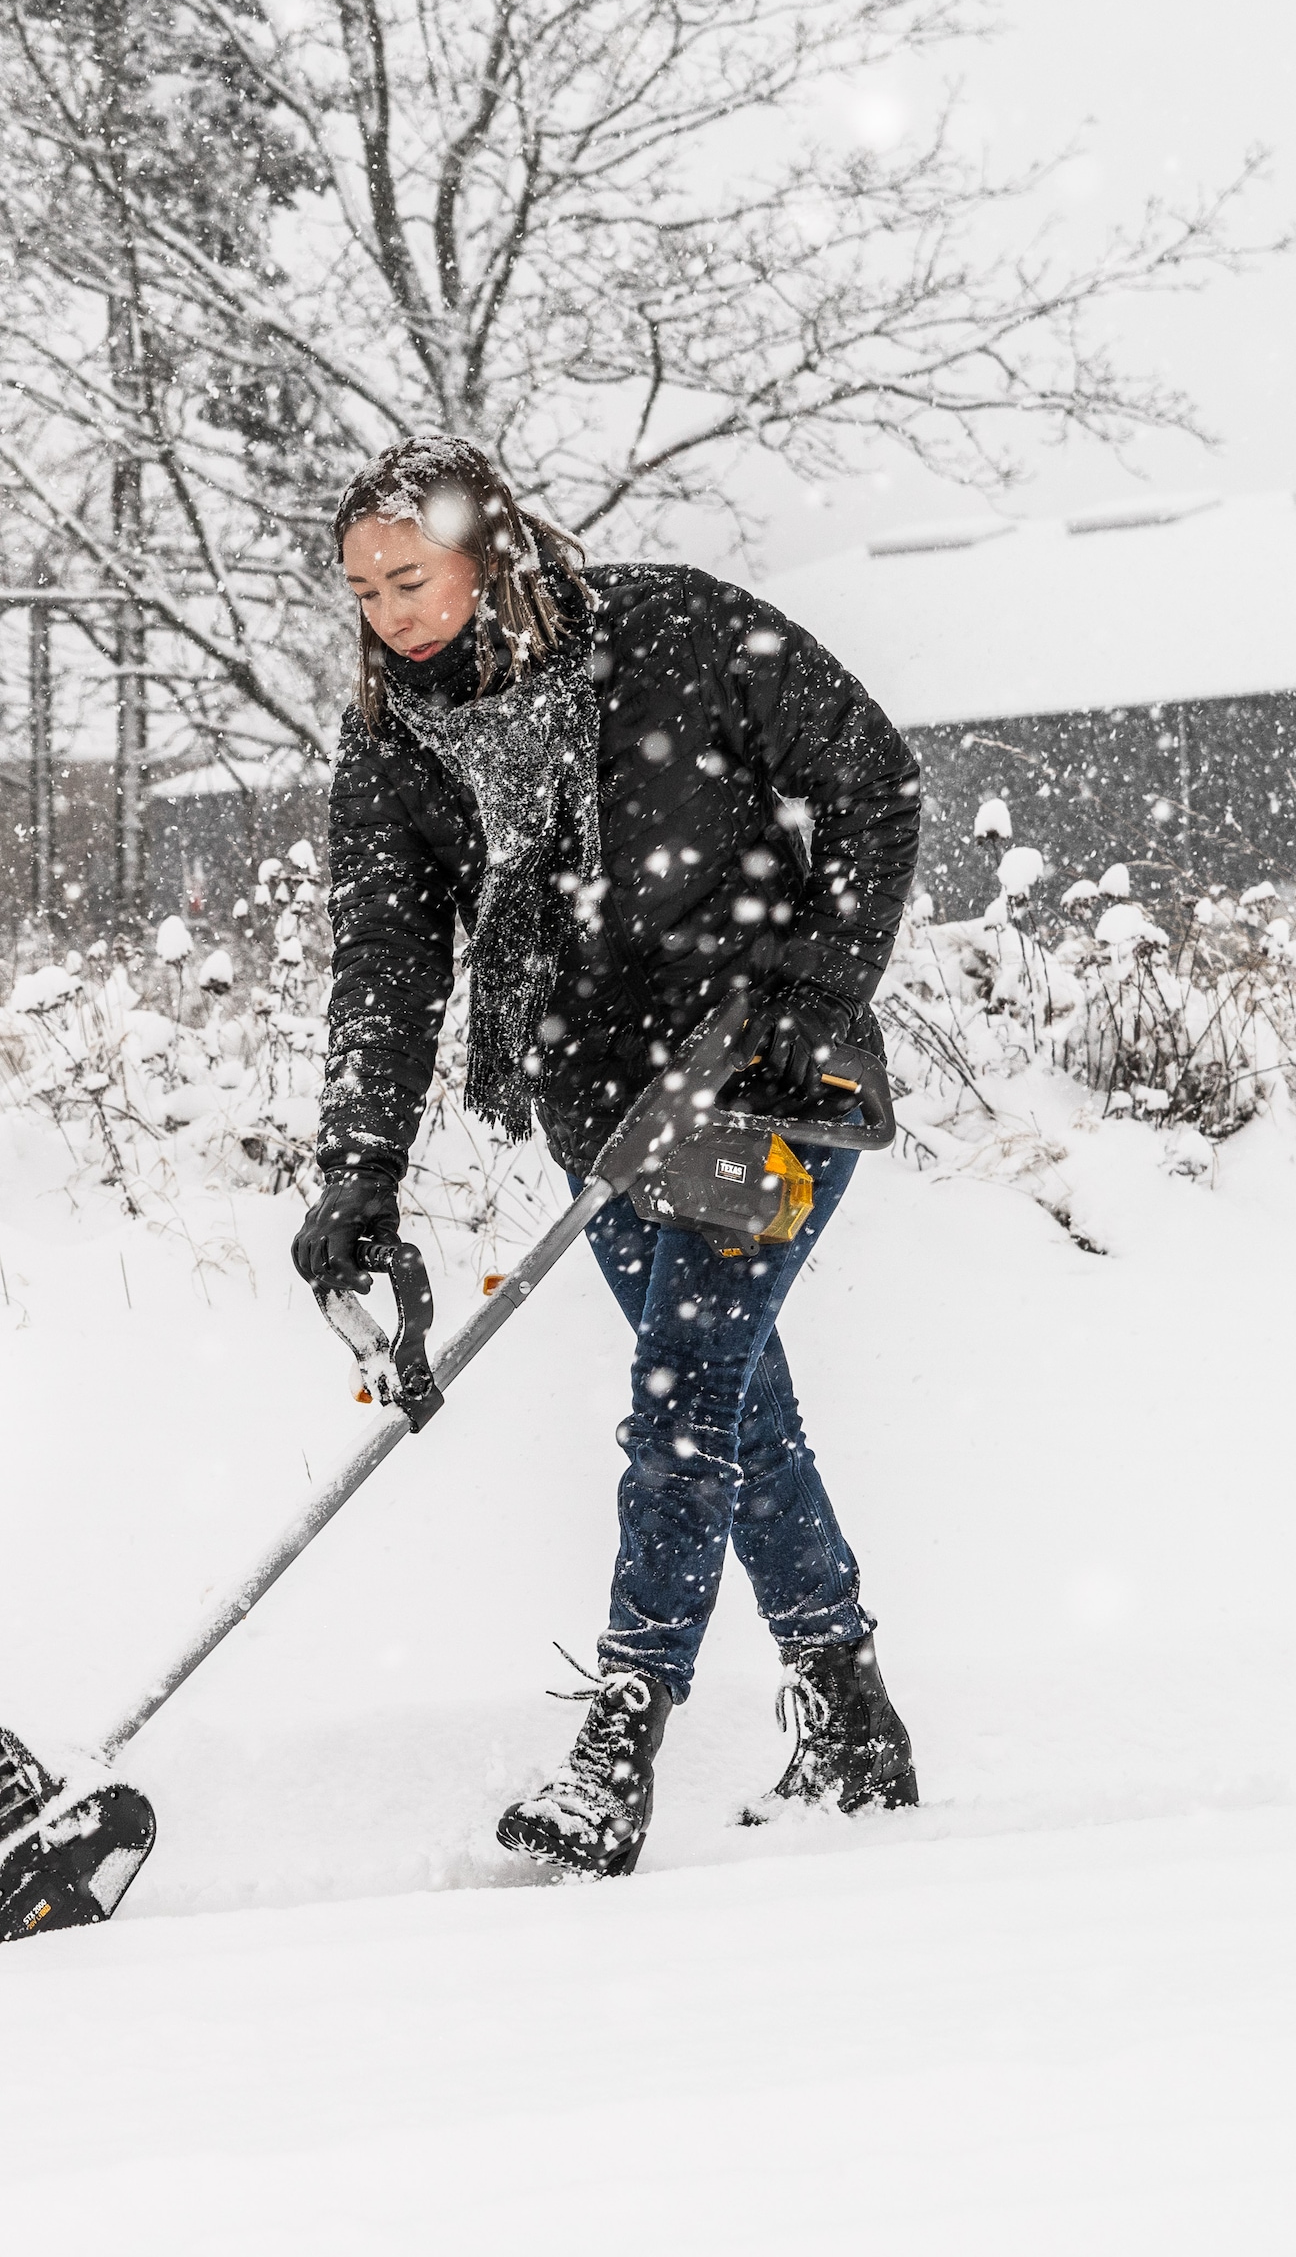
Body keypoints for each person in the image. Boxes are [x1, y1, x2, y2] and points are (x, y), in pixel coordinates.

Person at [291, 434, 921, 1879]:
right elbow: (385, 954)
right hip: (600, 1101)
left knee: (684, 1391)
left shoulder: (679, 629)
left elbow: (874, 783)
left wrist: (811, 996)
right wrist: (359, 1168)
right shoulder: (399, 738)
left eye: (410, 576)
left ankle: (617, 1742)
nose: (388, 613)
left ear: (487, 551)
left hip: (763, 1078)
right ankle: (848, 1710)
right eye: (364, 590)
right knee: (731, 1396)